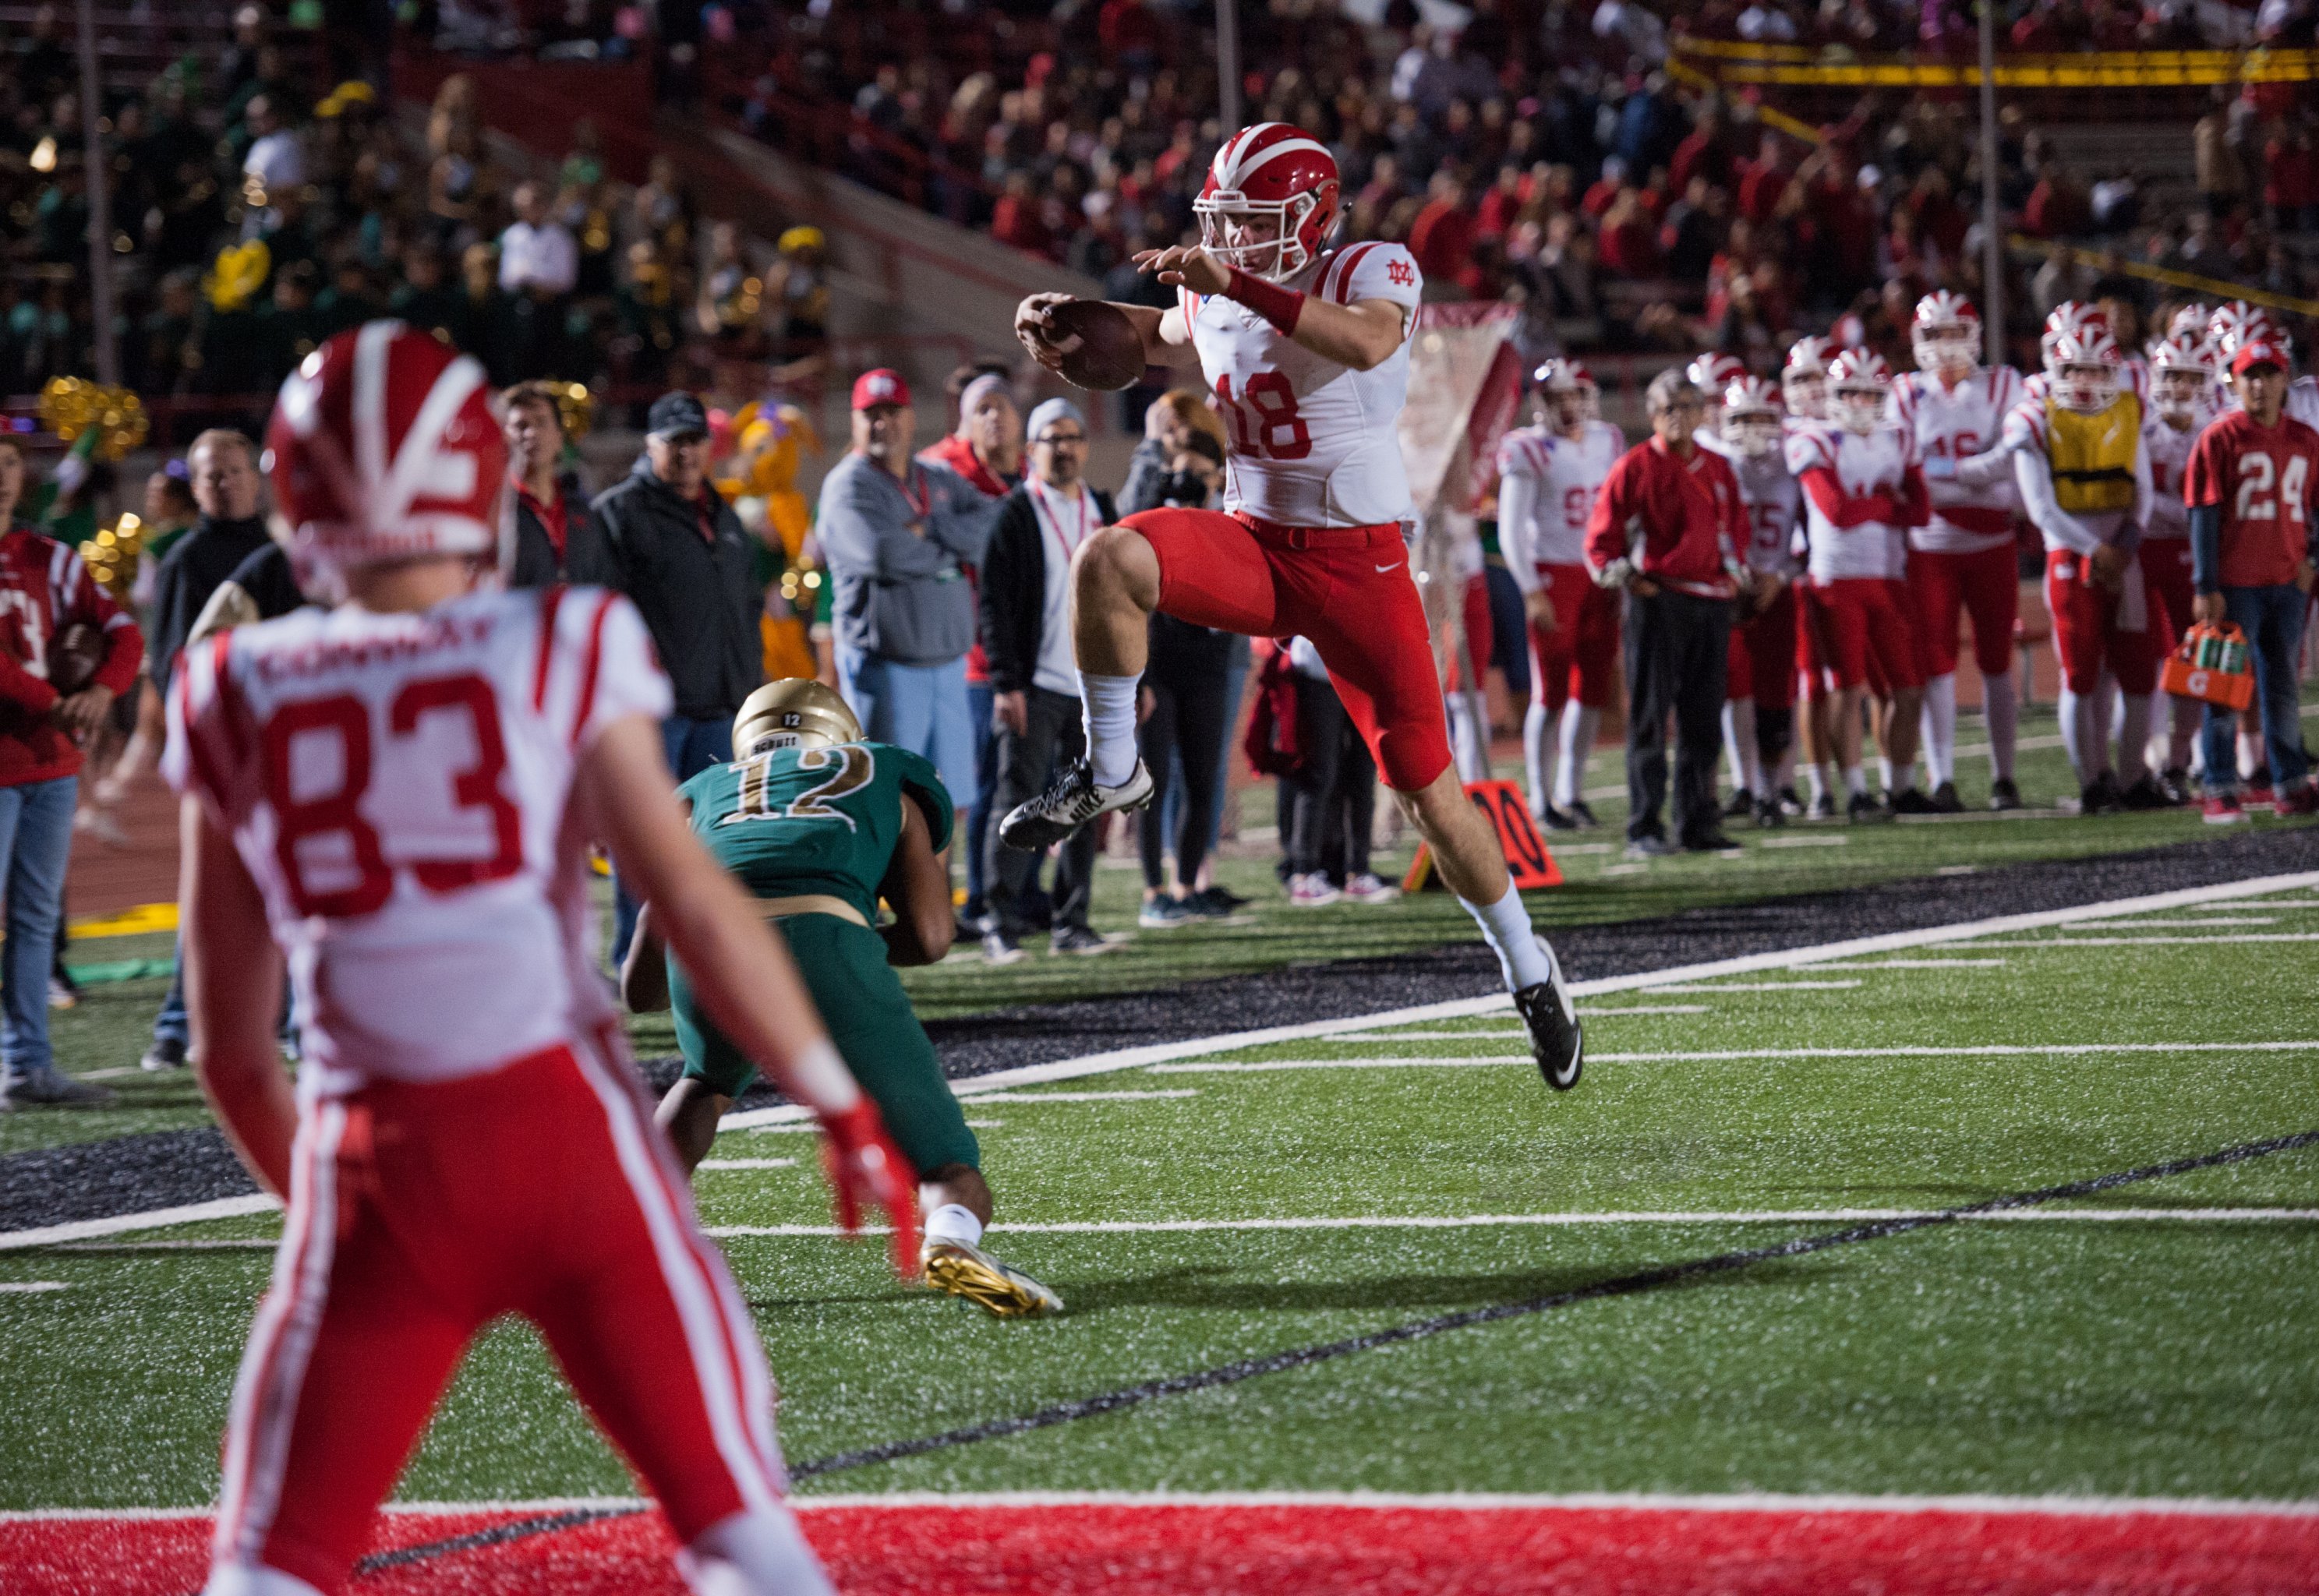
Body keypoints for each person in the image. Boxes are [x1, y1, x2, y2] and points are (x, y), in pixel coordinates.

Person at [168, 324, 912, 1596]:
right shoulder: (557, 643)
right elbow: (695, 903)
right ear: (474, 485)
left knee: (272, 1564)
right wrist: (838, 1096)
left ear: (299, 494)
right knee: (741, 1529)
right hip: (571, 1148)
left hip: (376, 1160)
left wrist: (347, 1224)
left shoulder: (232, 685)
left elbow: (236, 1052)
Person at [1008, 122, 1582, 1092]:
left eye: (1252, 221)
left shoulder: (1370, 264)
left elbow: (1361, 341)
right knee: (1110, 559)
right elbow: (1155, 334)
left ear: (1312, 217)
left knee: (1427, 794)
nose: (1231, 240)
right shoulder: (1217, 283)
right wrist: (1068, 319)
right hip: (1258, 547)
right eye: (1222, 222)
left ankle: (1529, 968)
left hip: (1360, 565)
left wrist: (1234, 284)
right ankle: (1112, 770)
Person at [622, 678, 1062, 1316]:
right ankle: (952, 1241)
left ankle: (626, 1234)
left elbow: (642, 984)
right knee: (944, 1162)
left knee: (704, 1081)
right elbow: (934, 938)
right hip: (828, 936)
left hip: (709, 945)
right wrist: (840, 949)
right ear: (841, 734)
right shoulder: (883, 770)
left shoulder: (701, 792)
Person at [586, 390, 767, 959]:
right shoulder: (619, 512)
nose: (687, 454)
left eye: (695, 441)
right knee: (645, 844)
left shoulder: (724, 513)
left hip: (719, 706)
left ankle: (701, 957)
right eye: (675, 442)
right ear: (650, 444)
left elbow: (741, 606)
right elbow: (597, 611)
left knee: (715, 841)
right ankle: (633, 960)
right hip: (652, 714)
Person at [0, 434, 142, 1109]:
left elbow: (125, 633)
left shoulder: (50, 557)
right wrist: (57, 702)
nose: (1, 477)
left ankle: (28, 1066)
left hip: (50, 769)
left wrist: (104, 692)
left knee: (33, 922)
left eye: (7, 463)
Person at [140, 429, 273, 1073]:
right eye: (209, 475)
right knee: (214, 894)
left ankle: (281, 1018)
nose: (223, 483)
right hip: (228, 752)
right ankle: (173, 1025)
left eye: (232, 470)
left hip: (287, 750)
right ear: (192, 488)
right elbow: (172, 668)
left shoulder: (282, 553)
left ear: (257, 474)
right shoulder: (183, 563)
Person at [817, 369, 1002, 825]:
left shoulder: (934, 476)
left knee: (948, 801)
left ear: (911, 417)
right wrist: (953, 551)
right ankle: (881, 896)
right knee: (888, 798)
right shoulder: (848, 486)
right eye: (871, 415)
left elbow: (994, 524)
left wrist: (932, 529)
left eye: (892, 412)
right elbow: (881, 553)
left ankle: (935, 897)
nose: (883, 424)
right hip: (887, 665)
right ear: (856, 422)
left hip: (947, 661)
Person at [1586, 369, 1749, 856]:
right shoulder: (1634, 466)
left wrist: (1736, 575)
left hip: (1713, 602)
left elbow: (1735, 529)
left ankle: (1698, 823)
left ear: (1704, 412)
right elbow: (1600, 541)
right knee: (1650, 718)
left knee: (1703, 719)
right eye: (1666, 409)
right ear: (1653, 417)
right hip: (1660, 600)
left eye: (1686, 406)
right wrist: (1630, 580)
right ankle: (1645, 826)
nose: (1678, 417)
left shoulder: (1719, 467)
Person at [977, 398, 1116, 961]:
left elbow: (1123, 601)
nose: (1063, 448)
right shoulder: (1015, 514)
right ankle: (997, 918)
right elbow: (995, 607)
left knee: (1087, 803)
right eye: (1050, 439)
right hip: (1035, 683)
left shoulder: (1102, 508)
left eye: (1072, 437)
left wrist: (1138, 677)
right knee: (1018, 799)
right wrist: (1005, 683)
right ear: (1029, 450)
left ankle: (1072, 921)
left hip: (1094, 685)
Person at [2005, 323, 2163, 814]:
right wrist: (2099, 552)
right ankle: (2093, 782)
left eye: (2097, 368)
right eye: (2075, 368)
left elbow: (2145, 490)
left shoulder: (2128, 407)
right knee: (2080, 673)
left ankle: (2135, 778)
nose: (2087, 379)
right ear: (2057, 368)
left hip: (2123, 553)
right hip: (2072, 556)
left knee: (2139, 673)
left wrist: (2126, 546)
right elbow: (2041, 509)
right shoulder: (2034, 417)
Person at [1889, 291, 2027, 812]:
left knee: (1996, 661)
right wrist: (1974, 472)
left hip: (1991, 540)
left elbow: (2010, 463)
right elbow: (1907, 470)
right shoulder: (1902, 393)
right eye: (1933, 335)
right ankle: (1942, 777)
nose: (1945, 347)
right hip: (1931, 544)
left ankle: (2003, 777)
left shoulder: (2002, 384)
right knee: (1937, 664)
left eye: (1954, 334)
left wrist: (1947, 475)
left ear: (1973, 336)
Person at [1787, 351, 1932, 821]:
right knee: (1847, 689)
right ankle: (1853, 791)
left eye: (1870, 393)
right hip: (1835, 578)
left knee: (1908, 689)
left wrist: (1870, 504)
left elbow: (1922, 512)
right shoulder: (1816, 439)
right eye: (1851, 392)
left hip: (1889, 576)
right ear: (1834, 395)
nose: (1861, 402)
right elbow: (1836, 512)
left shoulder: (1898, 439)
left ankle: (1901, 786)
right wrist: (1884, 504)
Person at [2184, 337, 2319, 822]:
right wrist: (2205, 584)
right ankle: (2219, 785)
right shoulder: (2220, 438)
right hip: (2234, 583)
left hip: (2285, 582)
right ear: (2235, 382)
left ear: (2286, 380)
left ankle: (2290, 782)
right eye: (2250, 376)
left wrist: (2313, 563)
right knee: (2222, 686)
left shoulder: (2306, 439)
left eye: (2268, 374)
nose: (2259, 385)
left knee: (2282, 684)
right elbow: (2202, 513)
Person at [1496, 359, 1623, 831]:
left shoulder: (1606, 439)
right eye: (1557, 398)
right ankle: (1542, 797)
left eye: (1574, 395)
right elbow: (1510, 531)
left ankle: (1572, 791)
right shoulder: (1528, 448)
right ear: (1541, 402)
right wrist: (1531, 590)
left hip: (1599, 575)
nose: (1567, 406)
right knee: (1548, 691)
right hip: (1552, 575)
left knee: (1592, 688)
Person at [917, 364, 1021, 932]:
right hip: (964, 652)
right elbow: (937, 540)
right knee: (970, 784)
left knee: (1026, 781)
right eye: (982, 407)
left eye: (1003, 406)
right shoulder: (941, 467)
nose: (994, 417)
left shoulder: (1031, 470)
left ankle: (1014, 893)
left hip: (1026, 651)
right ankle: (970, 898)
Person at [1133, 430, 1243, 927]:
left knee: (1203, 781)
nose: (1190, 482)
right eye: (1183, 472)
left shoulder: (1232, 514)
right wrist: (1162, 494)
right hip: (1160, 664)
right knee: (1152, 782)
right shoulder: (1156, 513)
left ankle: (1186, 884)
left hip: (1209, 662)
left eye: (1200, 473)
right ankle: (1154, 890)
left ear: (1219, 475)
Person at [1714, 376, 1803, 828]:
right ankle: (1745, 785)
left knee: (1776, 692)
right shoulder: (1717, 464)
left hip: (1778, 592)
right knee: (1734, 690)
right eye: (1741, 418)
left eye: (1759, 417)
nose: (1750, 427)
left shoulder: (1795, 462)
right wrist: (1734, 574)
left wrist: (1781, 575)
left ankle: (1774, 788)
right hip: (1730, 590)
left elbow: (1814, 535)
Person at [2140, 330, 2222, 798]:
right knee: (2145, 659)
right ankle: (2150, 758)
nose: (2182, 387)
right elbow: (2140, 500)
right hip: (2147, 550)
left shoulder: (2217, 428)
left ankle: (2179, 756)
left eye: (2193, 377)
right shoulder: (2140, 427)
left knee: (2195, 658)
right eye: (2173, 375)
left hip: (2195, 555)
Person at [1278, 634, 1394, 904]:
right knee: (1320, 774)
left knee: (1363, 777)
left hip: (1366, 673)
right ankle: (1304, 872)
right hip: (1318, 669)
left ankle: (1358, 869)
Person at [1780, 336, 1845, 818]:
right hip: (1799, 569)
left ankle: (1859, 782)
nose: (1810, 389)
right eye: (1800, 378)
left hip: (1848, 567)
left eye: (1817, 376)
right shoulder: (1778, 433)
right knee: (1810, 683)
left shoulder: (1858, 428)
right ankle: (1818, 785)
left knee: (1848, 682)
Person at [501, 380, 599, 586]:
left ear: (559, 437)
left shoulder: (583, 511)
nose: (531, 434)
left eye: (541, 422)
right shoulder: (496, 512)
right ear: (505, 437)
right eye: (521, 426)